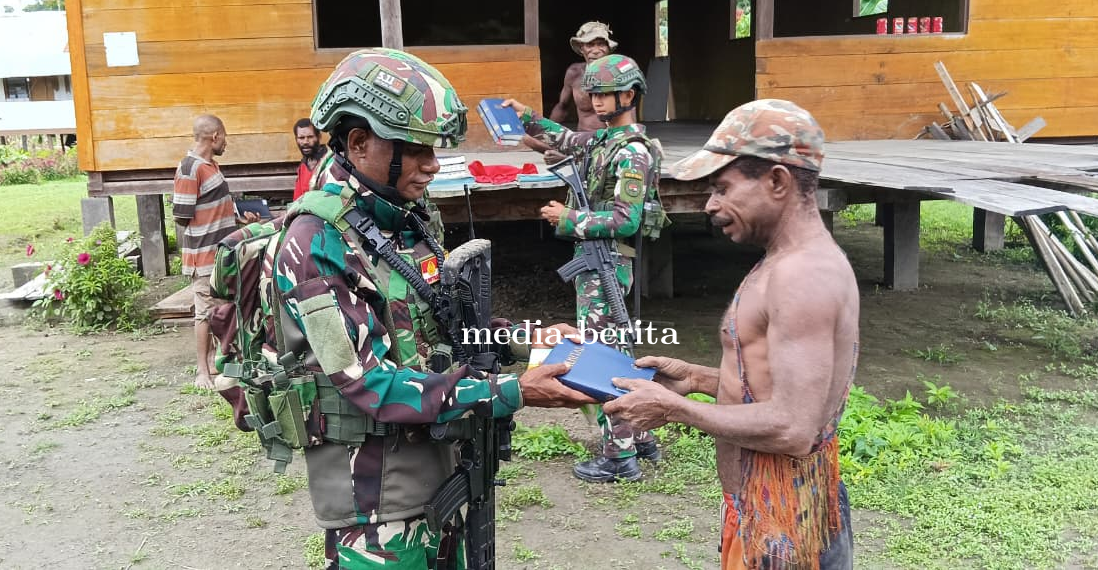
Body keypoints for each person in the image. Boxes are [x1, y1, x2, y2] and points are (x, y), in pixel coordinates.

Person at [278, 48, 595, 569]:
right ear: (359, 143)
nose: (432, 165)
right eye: (417, 149)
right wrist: (513, 390)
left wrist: (526, 339)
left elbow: (445, 325)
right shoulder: (316, 242)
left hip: (440, 468)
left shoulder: (405, 222)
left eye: (434, 149)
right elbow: (369, 383)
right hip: (377, 504)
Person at [603, 99, 858, 569]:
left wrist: (674, 410)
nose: (711, 205)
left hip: (788, 519)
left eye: (722, 188)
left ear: (778, 181)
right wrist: (699, 380)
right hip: (771, 508)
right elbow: (780, 383)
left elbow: (793, 427)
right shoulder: (787, 263)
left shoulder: (803, 276)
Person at [503, 53, 663, 483]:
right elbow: (567, 139)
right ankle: (640, 436)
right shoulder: (603, 140)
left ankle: (618, 455)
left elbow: (625, 219)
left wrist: (568, 218)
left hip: (608, 264)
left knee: (601, 358)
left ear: (628, 95)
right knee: (615, 351)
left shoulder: (631, 152)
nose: (592, 99)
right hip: (594, 264)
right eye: (589, 92)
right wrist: (528, 118)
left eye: (602, 93)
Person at [172, 114, 258, 389]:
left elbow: (214, 204)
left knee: (222, 310)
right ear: (214, 136)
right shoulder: (189, 168)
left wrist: (237, 220)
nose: (226, 142)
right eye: (225, 136)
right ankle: (202, 372)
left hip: (221, 253)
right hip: (203, 254)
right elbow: (182, 215)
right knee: (204, 313)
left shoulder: (212, 166)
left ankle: (218, 362)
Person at [523, 20, 616, 163]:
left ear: (608, 48)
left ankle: (573, 159)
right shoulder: (574, 73)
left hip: (606, 142)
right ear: (581, 48)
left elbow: (628, 121)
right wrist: (545, 131)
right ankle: (575, 157)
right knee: (528, 139)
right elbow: (562, 106)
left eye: (601, 44)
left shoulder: (618, 75)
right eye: (590, 45)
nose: (596, 50)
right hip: (580, 138)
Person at [292, 117, 328, 200]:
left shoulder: (330, 162)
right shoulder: (303, 166)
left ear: (319, 137)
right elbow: (297, 200)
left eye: (310, 137)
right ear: (296, 139)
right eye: (301, 138)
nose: (305, 142)